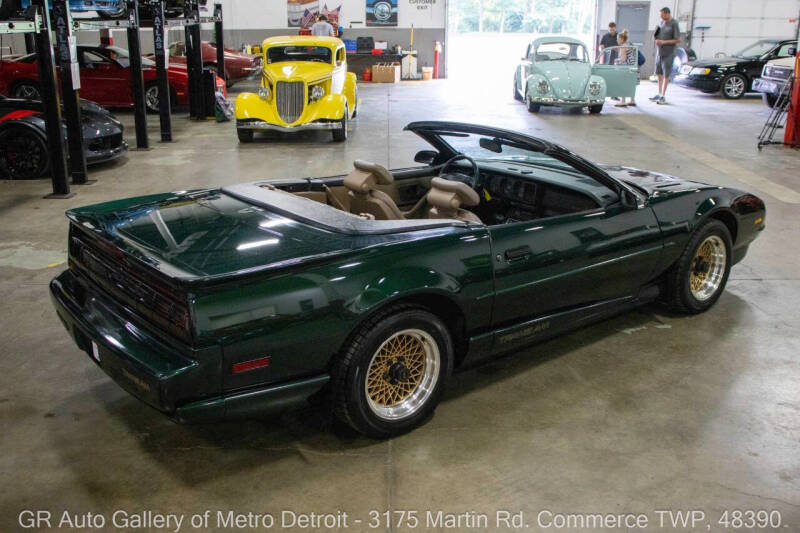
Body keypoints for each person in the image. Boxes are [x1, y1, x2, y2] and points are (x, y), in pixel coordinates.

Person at [650, 6, 681, 105]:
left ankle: (663, 95)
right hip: (660, 53)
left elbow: (677, 40)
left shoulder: (674, 24)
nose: (661, 17)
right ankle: (659, 93)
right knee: (659, 73)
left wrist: (663, 42)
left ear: (667, 14)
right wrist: (655, 38)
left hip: (669, 53)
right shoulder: (661, 23)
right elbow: (656, 36)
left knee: (666, 74)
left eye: (662, 15)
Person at [614, 30, 637, 107]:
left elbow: (623, 59)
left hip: (626, 68)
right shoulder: (629, 44)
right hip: (633, 67)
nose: (617, 40)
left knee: (623, 83)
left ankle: (623, 101)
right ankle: (632, 100)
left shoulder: (623, 46)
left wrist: (617, 60)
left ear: (622, 39)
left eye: (618, 38)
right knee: (631, 84)